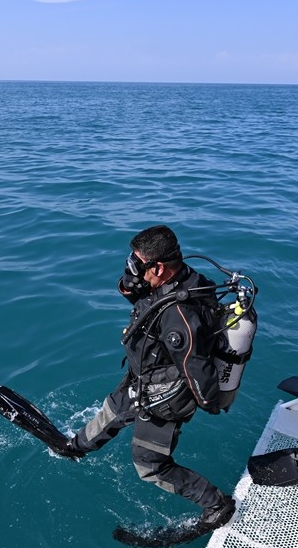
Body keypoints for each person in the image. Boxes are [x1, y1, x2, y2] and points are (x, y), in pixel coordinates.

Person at [61, 225, 236, 529]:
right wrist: (131, 280)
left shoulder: (178, 314)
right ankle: (75, 447)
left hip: (167, 396)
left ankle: (217, 504)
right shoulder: (171, 280)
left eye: (136, 263)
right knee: (113, 409)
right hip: (143, 376)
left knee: (149, 465)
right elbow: (140, 298)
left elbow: (194, 365)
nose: (131, 267)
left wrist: (209, 402)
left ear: (158, 267)